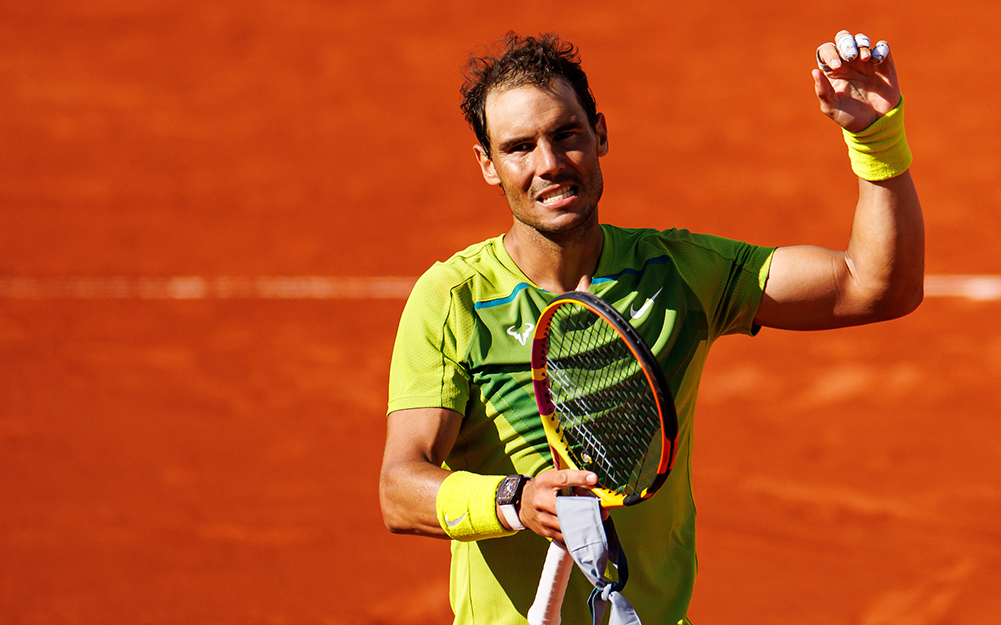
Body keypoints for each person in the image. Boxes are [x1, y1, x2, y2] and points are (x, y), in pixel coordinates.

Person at [380, 30, 923, 625]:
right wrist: (514, 502)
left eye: (566, 136)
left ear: (600, 134)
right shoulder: (453, 301)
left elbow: (874, 286)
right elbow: (401, 489)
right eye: (518, 147)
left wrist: (874, 138)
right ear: (487, 164)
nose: (549, 164)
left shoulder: (676, 275)